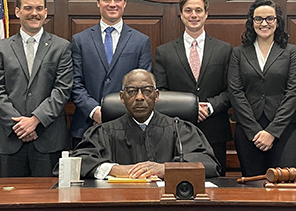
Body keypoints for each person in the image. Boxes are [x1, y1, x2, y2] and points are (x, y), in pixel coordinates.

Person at [70, 69, 220, 179]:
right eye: (132, 91)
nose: (140, 97)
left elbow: (208, 164)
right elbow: (77, 163)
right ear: (122, 97)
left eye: (147, 91)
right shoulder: (104, 132)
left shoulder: (179, 129)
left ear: (156, 96)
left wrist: (165, 169)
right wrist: (114, 169)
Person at [0, 0, 73, 177]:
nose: (34, 13)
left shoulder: (62, 47)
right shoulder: (0, 48)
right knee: (9, 201)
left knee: (49, 201)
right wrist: (19, 126)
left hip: (48, 137)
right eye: (28, 8)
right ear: (17, 12)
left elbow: (62, 90)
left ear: (45, 12)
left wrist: (35, 121)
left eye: (39, 8)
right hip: (10, 138)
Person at [154, 0, 232, 175]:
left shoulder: (224, 49)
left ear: (206, 14)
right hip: (177, 131)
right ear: (181, 14)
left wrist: (210, 107)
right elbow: (161, 93)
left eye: (198, 10)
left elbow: (232, 90)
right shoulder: (164, 52)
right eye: (188, 10)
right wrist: (188, 109)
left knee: (215, 185)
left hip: (215, 130)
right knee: (177, 182)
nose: (193, 15)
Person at [70, 0, 151, 145]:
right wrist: (94, 111)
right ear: (98, 3)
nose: (112, 4)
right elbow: (74, 83)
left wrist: (114, 114)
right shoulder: (80, 40)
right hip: (87, 125)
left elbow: (143, 87)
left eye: (117, 0)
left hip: (128, 127)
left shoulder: (140, 41)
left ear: (125, 4)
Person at [228, 0, 296, 177]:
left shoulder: (290, 52)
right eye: (258, 19)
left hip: (284, 130)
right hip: (249, 131)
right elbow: (235, 92)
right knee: (253, 186)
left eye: (270, 18)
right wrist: (255, 131)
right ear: (251, 22)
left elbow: (294, 93)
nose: (264, 23)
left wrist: (272, 132)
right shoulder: (239, 53)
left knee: (285, 186)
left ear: (277, 22)